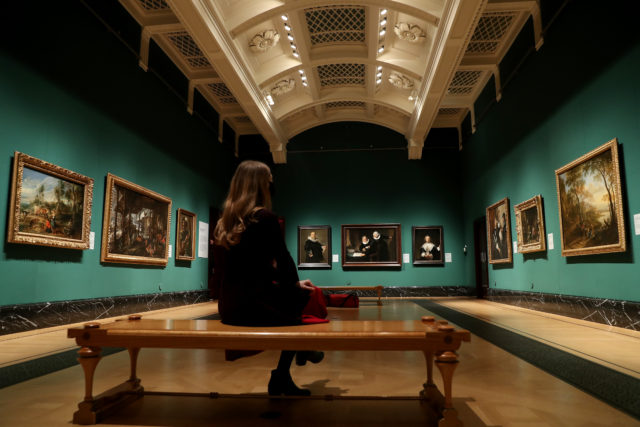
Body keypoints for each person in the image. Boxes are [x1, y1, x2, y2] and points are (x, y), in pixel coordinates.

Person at [213, 160, 323, 396]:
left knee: (294, 297)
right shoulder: (264, 217)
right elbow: (284, 261)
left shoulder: (226, 222)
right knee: (302, 298)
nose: (272, 183)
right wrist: (295, 285)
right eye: (269, 179)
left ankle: (297, 359)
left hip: (229, 307)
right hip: (253, 307)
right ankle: (299, 355)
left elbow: (248, 267)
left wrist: (287, 282)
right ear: (261, 185)